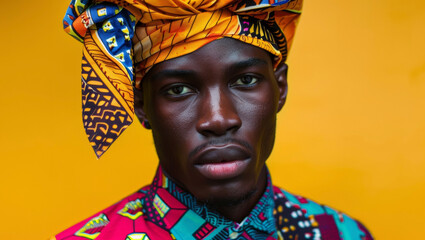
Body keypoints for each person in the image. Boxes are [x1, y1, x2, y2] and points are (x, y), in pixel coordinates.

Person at [54, 0, 373, 239]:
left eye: (246, 81)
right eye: (178, 89)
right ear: (141, 106)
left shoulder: (342, 235)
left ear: (280, 88)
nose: (218, 119)